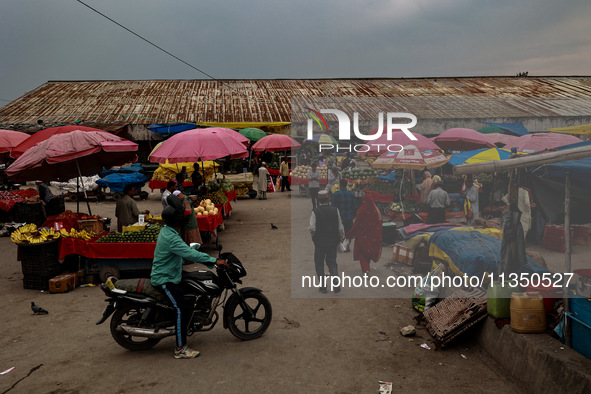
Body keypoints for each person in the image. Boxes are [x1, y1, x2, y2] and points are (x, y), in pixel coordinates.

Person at [151, 202, 227, 359]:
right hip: (165, 279)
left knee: (192, 291)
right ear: (179, 221)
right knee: (181, 308)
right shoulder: (171, 237)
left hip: (173, 273)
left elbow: (185, 251)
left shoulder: (167, 231)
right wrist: (213, 261)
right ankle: (180, 348)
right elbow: (188, 254)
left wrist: (198, 252)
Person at [309, 190, 345, 293]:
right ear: (329, 199)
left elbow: (312, 228)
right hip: (332, 242)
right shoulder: (335, 210)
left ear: (318, 200)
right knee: (332, 262)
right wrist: (340, 237)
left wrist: (314, 237)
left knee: (319, 263)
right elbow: (340, 228)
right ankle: (336, 284)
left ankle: (323, 287)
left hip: (320, 242)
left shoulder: (315, 212)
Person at [346, 196, 382, 274]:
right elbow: (379, 223)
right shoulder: (375, 210)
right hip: (372, 235)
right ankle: (366, 268)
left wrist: (350, 234)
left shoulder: (361, 210)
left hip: (362, 235)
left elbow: (357, 223)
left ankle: (365, 269)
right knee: (367, 251)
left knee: (362, 252)